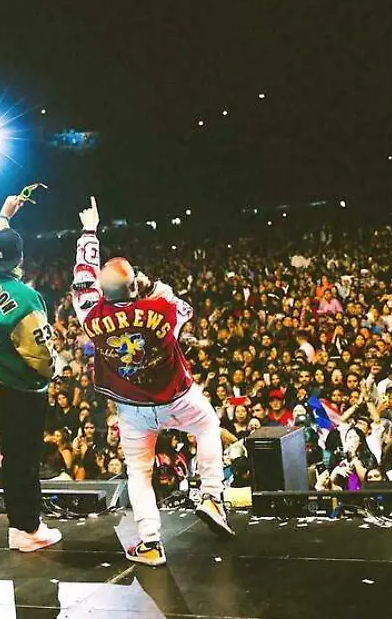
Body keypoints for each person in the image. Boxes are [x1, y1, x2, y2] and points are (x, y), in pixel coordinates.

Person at [71, 196, 233, 568]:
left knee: (138, 474)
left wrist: (89, 232)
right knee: (208, 426)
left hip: (132, 409)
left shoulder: (88, 314)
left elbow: (82, 276)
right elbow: (185, 309)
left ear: (101, 291)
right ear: (134, 288)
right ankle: (210, 493)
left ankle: (150, 543)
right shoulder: (161, 308)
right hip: (177, 397)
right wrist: (151, 287)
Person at [0, 193, 62, 553]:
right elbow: (40, 357)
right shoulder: (26, 299)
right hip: (20, 389)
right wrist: (55, 371)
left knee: (11, 451)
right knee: (23, 457)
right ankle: (26, 528)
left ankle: (23, 522)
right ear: (21, 259)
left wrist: (3, 214)